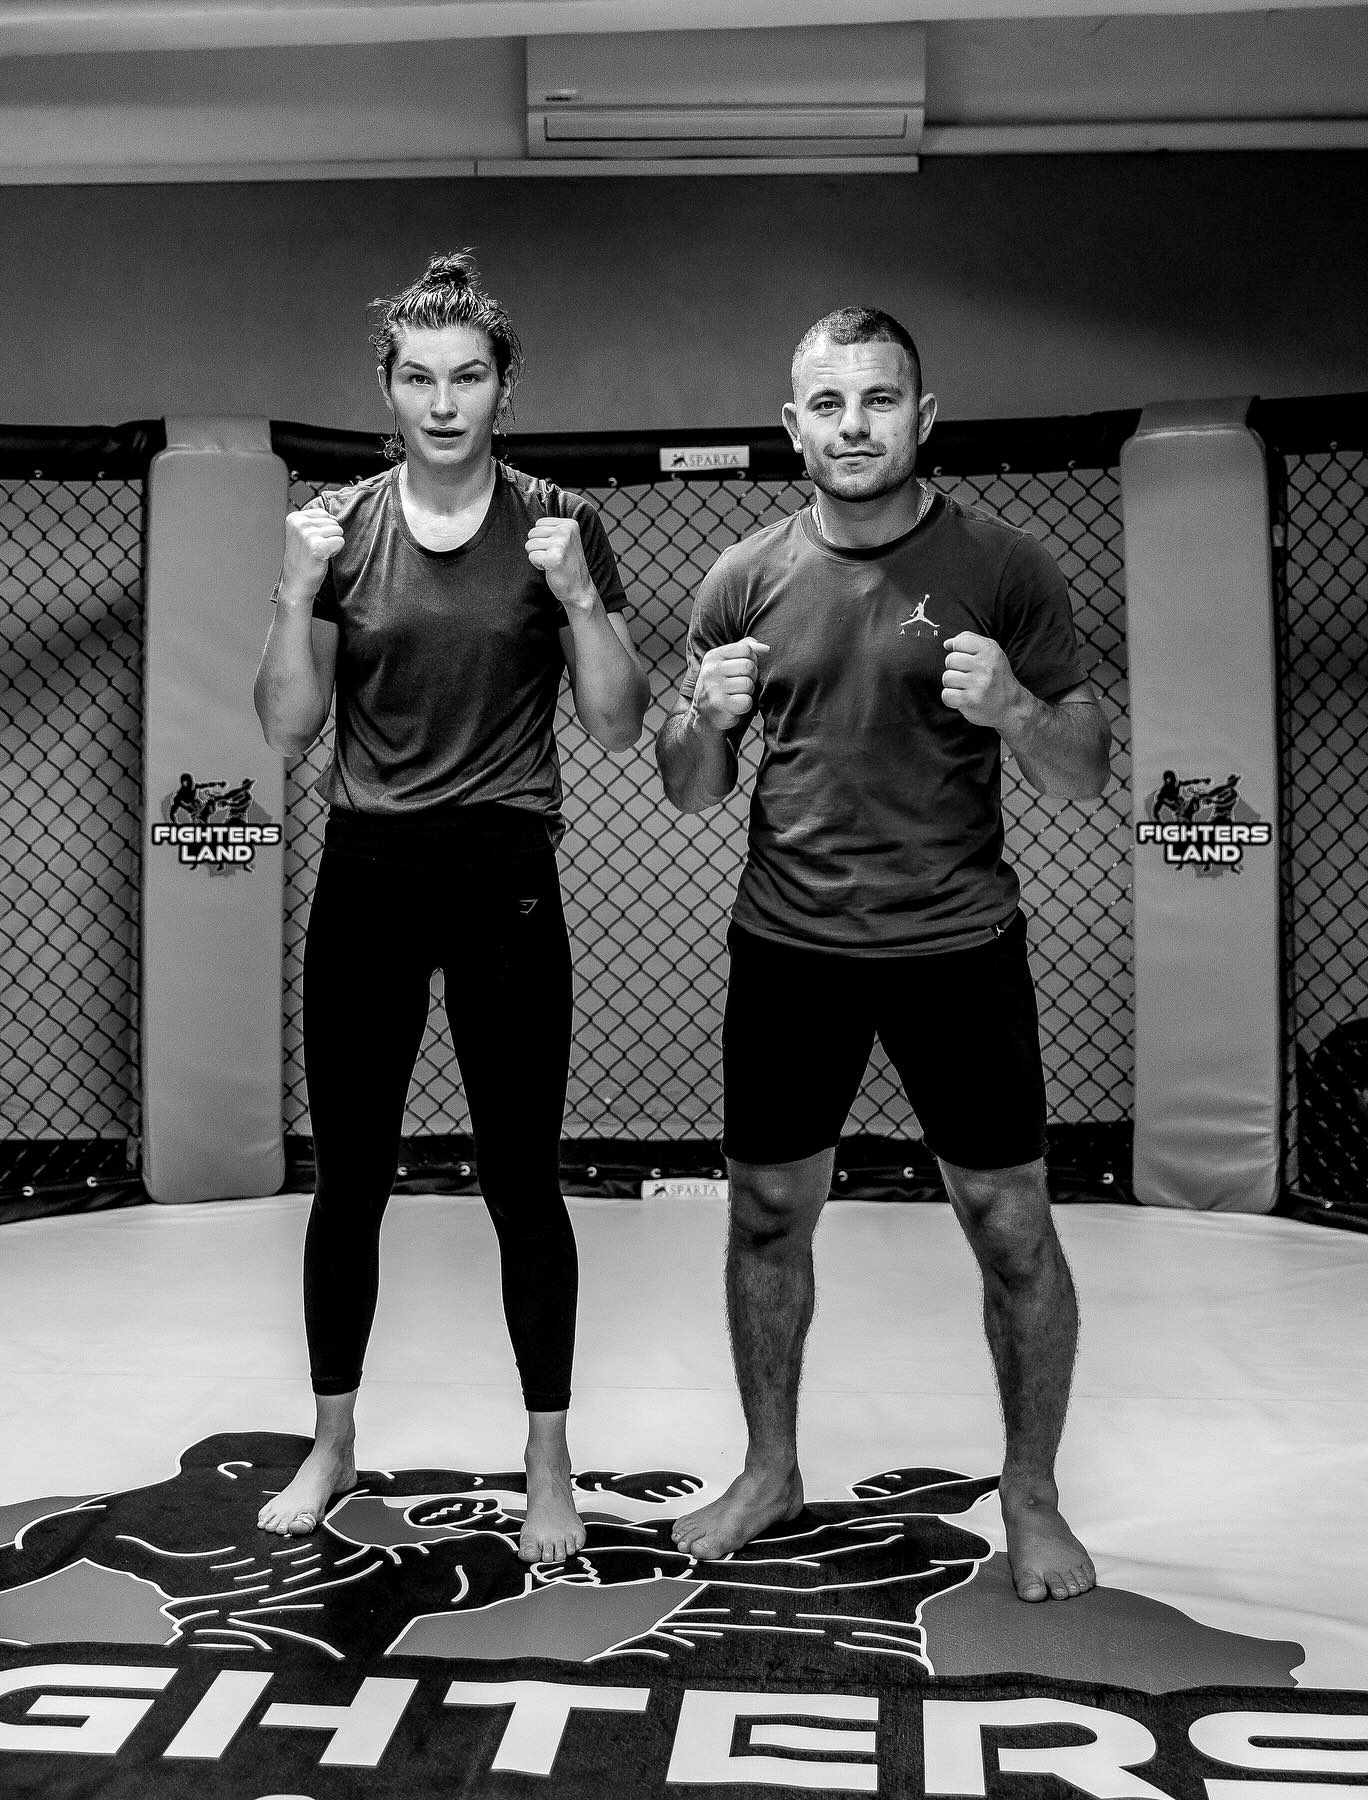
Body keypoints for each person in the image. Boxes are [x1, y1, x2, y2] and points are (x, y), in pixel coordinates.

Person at [654, 306, 1112, 1602]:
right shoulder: (742, 578)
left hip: (958, 946)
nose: (853, 426)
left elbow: (1086, 769)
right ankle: (770, 1468)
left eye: (878, 400)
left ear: (923, 416)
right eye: (828, 403)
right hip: (790, 948)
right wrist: (702, 717)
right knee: (766, 1214)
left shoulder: (1006, 567)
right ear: (792, 425)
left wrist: (1014, 707)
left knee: (1010, 1223)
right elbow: (691, 788)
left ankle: (1031, 1496)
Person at [252, 251, 649, 1561]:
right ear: (387, 387)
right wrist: (295, 592)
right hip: (369, 872)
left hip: (502, 871)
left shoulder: (557, 524)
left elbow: (615, 723)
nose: (442, 402)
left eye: (467, 377)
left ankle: (548, 1459)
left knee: (522, 1181)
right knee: (350, 1177)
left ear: (502, 387)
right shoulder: (338, 528)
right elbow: (287, 729)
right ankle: (332, 1441)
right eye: (418, 377)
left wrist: (581, 597)